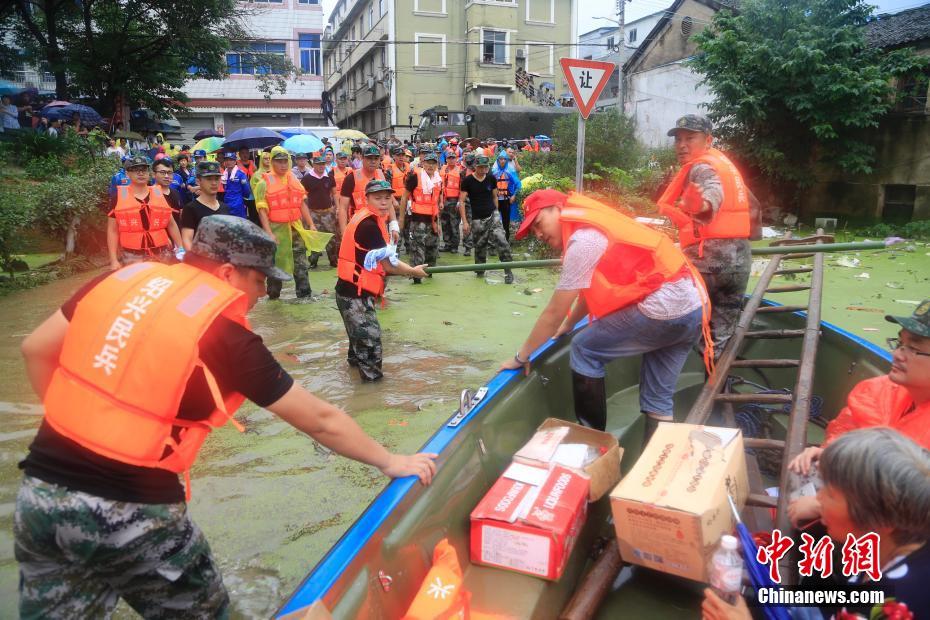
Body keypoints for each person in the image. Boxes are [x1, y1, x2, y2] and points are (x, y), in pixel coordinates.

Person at [15, 215, 438, 619]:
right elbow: (320, 420)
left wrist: (75, 425)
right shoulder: (225, 335)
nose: (258, 296)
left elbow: (36, 349)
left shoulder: (120, 280)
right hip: (133, 509)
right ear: (225, 274)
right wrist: (389, 461)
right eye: (258, 282)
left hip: (41, 493)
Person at [501, 190, 709, 443]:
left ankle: (593, 446)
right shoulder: (594, 227)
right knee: (658, 401)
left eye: (538, 223)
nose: (539, 234)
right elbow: (590, 294)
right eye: (533, 230)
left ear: (558, 209)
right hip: (694, 306)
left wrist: (521, 356)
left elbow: (554, 311)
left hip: (664, 306)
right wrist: (569, 324)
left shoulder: (583, 240)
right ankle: (654, 468)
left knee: (584, 348)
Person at [702, 428, 930, 620]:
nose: (817, 499)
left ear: (880, 517)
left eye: (829, 493)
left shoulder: (891, 607)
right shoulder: (903, 537)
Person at [786, 299, 930, 527]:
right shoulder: (880, 390)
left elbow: (912, 508)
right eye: (900, 344)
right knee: (805, 468)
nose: (897, 355)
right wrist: (830, 453)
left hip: (900, 530)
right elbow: (846, 430)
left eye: (913, 349)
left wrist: (823, 506)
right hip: (862, 488)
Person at [657, 114, 751, 356]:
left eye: (690, 138)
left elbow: (712, 195)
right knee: (722, 338)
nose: (682, 145)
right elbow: (755, 208)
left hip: (708, 267)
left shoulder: (702, 167)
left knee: (683, 328)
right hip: (739, 265)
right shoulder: (726, 166)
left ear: (708, 140)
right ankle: (720, 386)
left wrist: (702, 206)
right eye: (678, 139)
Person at [336, 180, 429, 381]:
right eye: (378, 198)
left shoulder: (371, 217)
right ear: (366, 199)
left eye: (387, 198)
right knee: (371, 346)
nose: (384, 202)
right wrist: (413, 271)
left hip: (352, 290)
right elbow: (389, 265)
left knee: (358, 345)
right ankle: (371, 393)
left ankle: (354, 379)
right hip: (354, 295)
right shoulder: (369, 225)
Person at [253, 146, 317, 300]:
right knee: (277, 265)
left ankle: (305, 296)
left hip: (295, 229)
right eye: (278, 161)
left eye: (285, 161)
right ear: (272, 162)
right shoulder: (264, 183)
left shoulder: (293, 180)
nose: (283, 165)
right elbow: (262, 210)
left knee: (300, 264)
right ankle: (273, 296)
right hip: (277, 231)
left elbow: (301, 203)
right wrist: (268, 233)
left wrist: (311, 224)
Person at [107, 155, 183, 270]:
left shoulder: (159, 194)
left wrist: (181, 248)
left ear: (149, 173)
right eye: (135, 170)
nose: (140, 173)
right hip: (132, 256)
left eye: (143, 170)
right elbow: (112, 230)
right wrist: (113, 260)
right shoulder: (118, 198)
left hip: (162, 253)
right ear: (127, 174)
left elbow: (171, 224)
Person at [458, 156, 514, 284]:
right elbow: (461, 201)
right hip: (477, 218)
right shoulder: (468, 181)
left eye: (485, 167)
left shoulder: (491, 178)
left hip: (492, 215)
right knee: (480, 246)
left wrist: (496, 212)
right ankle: (480, 270)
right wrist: (465, 222)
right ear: (475, 167)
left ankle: (508, 271)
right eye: (481, 167)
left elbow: (495, 196)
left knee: (502, 240)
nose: (483, 170)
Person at [399, 152, 442, 283]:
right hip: (418, 220)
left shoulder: (438, 179)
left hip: (432, 219)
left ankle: (429, 274)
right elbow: (404, 197)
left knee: (432, 249)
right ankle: (416, 278)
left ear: (437, 165)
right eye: (428, 162)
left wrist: (438, 222)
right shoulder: (415, 177)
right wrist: (401, 219)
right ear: (423, 163)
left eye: (433, 163)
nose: (430, 165)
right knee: (417, 250)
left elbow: (436, 200)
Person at [338, 144, 393, 234]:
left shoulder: (382, 175)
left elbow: (389, 202)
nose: (373, 161)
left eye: (376, 158)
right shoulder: (351, 178)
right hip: (359, 227)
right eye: (369, 158)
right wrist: (344, 232)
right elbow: (343, 207)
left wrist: (393, 224)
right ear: (362, 158)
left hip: (381, 225)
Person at [301, 153, 339, 269]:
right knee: (314, 237)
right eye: (319, 164)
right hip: (313, 212)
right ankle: (313, 261)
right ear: (314, 165)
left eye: (323, 164)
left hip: (328, 212)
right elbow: (302, 196)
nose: (321, 166)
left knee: (331, 237)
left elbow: (334, 193)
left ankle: (333, 261)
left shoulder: (329, 176)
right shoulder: (307, 178)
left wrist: (337, 207)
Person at [180, 161, 229, 250]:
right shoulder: (191, 209)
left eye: (217, 178)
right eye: (209, 179)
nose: (214, 183)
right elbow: (187, 239)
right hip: (201, 259)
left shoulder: (224, 207)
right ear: (198, 181)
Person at [439, 150, 464, 253]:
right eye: (449, 158)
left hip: (454, 200)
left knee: (454, 224)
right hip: (443, 199)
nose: (451, 160)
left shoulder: (460, 171)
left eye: (453, 158)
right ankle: (447, 244)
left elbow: (463, 187)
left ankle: (454, 246)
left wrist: (460, 201)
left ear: (456, 159)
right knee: (445, 223)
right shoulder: (443, 169)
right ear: (447, 159)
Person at [493, 152, 521, 240]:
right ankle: (495, 241)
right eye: (500, 159)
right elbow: (489, 186)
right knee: (495, 221)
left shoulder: (511, 171)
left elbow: (518, 185)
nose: (502, 161)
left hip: (506, 200)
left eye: (504, 159)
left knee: (506, 222)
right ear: (498, 160)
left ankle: (506, 240)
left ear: (506, 160)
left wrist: (514, 196)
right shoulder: (494, 172)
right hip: (496, 200)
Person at [220, 151, 252, 219]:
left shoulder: (241, 174)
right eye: (226, 160)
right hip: (226, 203)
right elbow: (224, 188)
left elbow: (247, 191)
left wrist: (239, 198)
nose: (228, 162)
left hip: (238, 204)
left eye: (231, 160)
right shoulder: (224, 175)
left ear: (235, 161)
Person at [151, 157, 182, 226]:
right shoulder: (149, 193)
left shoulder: (175, 192)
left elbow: (180, 215)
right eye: (162, 172)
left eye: (169, 173)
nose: (166, 176)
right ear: (153, 174)